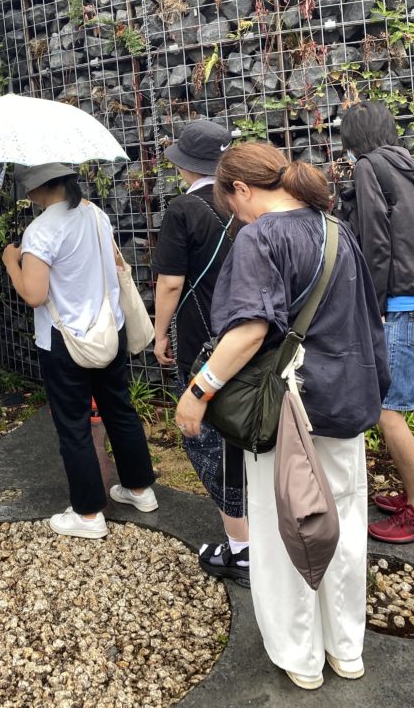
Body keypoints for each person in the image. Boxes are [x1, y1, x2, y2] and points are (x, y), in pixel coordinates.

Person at [176, 142, 389, 690]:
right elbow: (369, 321)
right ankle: (346, 649)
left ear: (241, 189)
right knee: (343, 526)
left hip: (285, 410)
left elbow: (248, 330)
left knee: (283, 527)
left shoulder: (261, 237)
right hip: (344, 401)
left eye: (232, 206)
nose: (236, 217)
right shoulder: (335, 229)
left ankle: (301, 656)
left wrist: (198, 391)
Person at [2, 163, 157, 539]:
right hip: (109, 329)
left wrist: (10, 263)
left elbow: (35, 295)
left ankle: (88, 514)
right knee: (119, 409)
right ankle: (140, 490)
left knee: (73, 425)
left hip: (65, 340)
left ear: (38, 189)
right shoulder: (95, 214)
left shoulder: (41, 230)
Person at [340, 100, 414, 543]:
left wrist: (375, 304)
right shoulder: (409, 165)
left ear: (354, 138)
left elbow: (376, 242)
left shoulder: (369, 167)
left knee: (387, 412)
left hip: (403, 304)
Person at [152, 120, 250, 584]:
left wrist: (160, 333)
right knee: (249, 434)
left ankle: (242, 548)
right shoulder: (247, 201)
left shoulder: (183, 209)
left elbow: (171, 282)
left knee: (205, 439)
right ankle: (262, 531)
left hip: (202, 342)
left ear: (185, 166)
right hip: (251, 337)